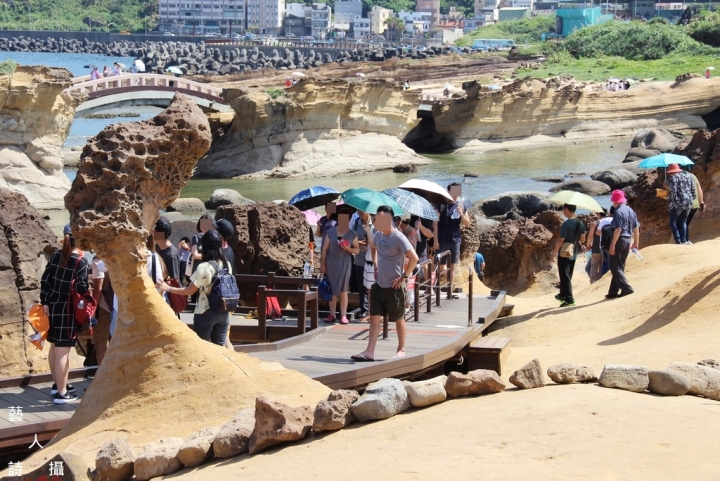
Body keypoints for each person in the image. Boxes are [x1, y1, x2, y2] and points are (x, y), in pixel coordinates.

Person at [351, 206, 418, 361]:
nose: (377, 221)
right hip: (379, 284)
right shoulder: (379, 235)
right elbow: (372, 247)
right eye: (376, 218)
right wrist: (375, 266)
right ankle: (369, 352)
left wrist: (404, 277)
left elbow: (414, 258)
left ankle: (401, 349)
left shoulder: (398, 237)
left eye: (381, 219)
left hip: (394, 286)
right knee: (374, 317)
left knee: (399, 318)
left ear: (390, 219)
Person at [40, 224, 89, 404]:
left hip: (52, 306)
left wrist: (45, 301)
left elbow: (45, 280)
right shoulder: (81, 261)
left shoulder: (56, 256)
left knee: (54, 347)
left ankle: (58, 384)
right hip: (67, 309)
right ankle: (61, 393)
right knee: (62, 352)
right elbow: (81, 288)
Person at [157, 230, 231, 346]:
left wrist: (168, 288)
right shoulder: (226, 263)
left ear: (205, 246)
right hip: (223, 311)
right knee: (220, 350)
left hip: (205, 312)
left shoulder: (204, 267)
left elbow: (189, 291)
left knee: (202, 348)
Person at [321, 207, 360, 324]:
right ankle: (332, 314)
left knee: (343, 290)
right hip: (331, 261)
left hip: (345, 262)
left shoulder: (352, 234)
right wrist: (322, 264)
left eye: (345, 218)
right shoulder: (331, 232)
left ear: (348, 220)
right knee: (331, 289)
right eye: (340, 217)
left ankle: (343, 315)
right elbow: (324, 249)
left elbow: (357, 250)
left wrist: (348, 248)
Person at [434, 182, 471, 300]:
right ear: (448, 192)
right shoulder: (441, 205)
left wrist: (461, 213)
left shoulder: (462, 205)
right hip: (442, 239)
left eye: (457, 192)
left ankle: (450, 291)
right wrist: (435, 239)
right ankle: (436, 287)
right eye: (453, 192)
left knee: (453, 266)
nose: (455, 195)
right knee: (439, 265)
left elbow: (467, 224)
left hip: (455, 239)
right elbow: (435, 223)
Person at [606, 190, 640, 299]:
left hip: (619, 240)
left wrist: (612, 245)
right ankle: (613, 291)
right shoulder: (631, 210)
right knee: (620, 265)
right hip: (628, 239)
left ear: (615, 201)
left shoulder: (618, 212)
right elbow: (636, 227)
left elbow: (618, 230)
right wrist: (636, 241)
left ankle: (626, 288)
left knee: (614, 266)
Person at [550, 204, 586, 307]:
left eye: (563, 209)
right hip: (573, 252)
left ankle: (570, 299)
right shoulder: (580, 223)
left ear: (566, 209)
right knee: (568, 274)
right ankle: (562, 295)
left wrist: (554, 253)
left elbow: (561, 240)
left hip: (564, 252)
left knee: (564, 275)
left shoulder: (566, 224)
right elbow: (583, 239)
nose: (563, 211)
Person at [91, 255, 115, 366]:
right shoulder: (117, 257)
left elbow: (98, 288)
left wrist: (93, 309)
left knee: (101, 345)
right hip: (118, 307)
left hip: (104, 307)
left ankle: (102, 377)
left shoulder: (98, 261)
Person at [664, 163, 696, 245]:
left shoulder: (674, 178)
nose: (670, 175)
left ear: (671, 172)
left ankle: (678, 241)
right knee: (683, 221)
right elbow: (693, 189)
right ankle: (684, 240)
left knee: (673, 222)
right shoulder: (688, 176)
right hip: (688, 202)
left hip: (678, 203)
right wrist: (692, 198)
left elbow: (673, 192)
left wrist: (667, 196)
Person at [351, 210, 371, 321]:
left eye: (361, 210)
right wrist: (361, 243)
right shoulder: (356, 222)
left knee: (372, 287)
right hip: (359, 260)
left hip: (372, 261)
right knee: (361, 287)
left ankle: (374, 311)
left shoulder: (375, 222)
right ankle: (364, 310)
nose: (359, 212)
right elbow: (350, 239)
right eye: (357, 210)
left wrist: (365, 243)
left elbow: (379, 239)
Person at [585, 209, 606, 283]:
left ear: (599, 214)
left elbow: (590, 236)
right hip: (605, 248)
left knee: (594, 266)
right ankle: (600, 282)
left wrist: (588, 246)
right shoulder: (608, 222)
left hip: (596, 248)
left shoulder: (595, 223)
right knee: (601, 266)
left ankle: (593, 282)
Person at [685, 167, 705, 244]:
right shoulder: (693, 176)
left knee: (682, 222)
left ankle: (685, 240)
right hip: (695, 203)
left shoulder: (678, 177)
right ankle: (686, 240)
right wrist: (702, 202)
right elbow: (699, 189)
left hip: (684, 204)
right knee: (685, 222)